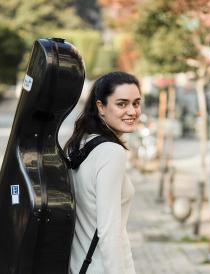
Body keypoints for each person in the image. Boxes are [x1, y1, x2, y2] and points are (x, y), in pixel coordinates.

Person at [64, 71, 141, 274]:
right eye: (122, 104)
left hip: (79, 265)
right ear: (101, 107)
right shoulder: (111, 152)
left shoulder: (79, 144)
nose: (132, 111)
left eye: (136, 103)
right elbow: (110, 230)